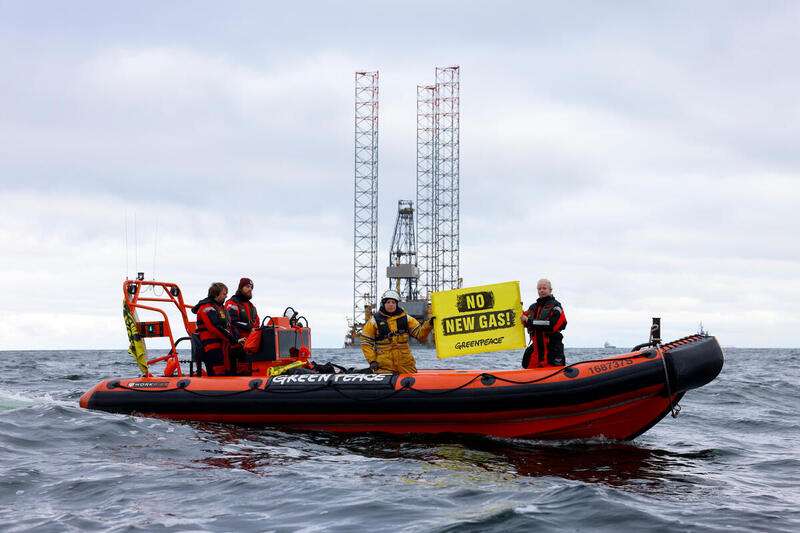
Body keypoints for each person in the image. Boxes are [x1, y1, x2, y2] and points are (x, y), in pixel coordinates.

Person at [360, 290, 433, 374]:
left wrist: (429, 324)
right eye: (388, 302)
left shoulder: (407, 319)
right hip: (384, 366)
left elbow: (419, 334)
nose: (391, 304)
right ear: (383, 304)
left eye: (393, 302)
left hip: (406, 365)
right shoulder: (374, 321)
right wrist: (372, 360)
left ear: (396, 304)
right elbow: (366, 342)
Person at [191, 282, 244, 376]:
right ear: (216, 294)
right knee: (218, 371)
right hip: (212, 346)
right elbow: (215, 328)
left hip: (223, 345)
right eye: (224, 294)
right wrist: (233, 340)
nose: (226, 296)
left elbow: (229, 326)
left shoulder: (221, 308)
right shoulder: (206, 308)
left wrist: (237, 339)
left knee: (229, 369)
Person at [520, 278, 567, 368]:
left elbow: (551, 325)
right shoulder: (533, 307)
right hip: (537, 348)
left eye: (544, 288)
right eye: (539, 289)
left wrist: (529, 321)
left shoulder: (556, 307)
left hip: (552, 348)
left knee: (555, 369)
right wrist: (518, 309)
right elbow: (523, 320)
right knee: (526, 363)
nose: (541, 290)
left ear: (550, 290)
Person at [225, 278, 260, 375]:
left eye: (251, 287)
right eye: (247, 287)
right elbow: (231, 322)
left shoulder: (252, 307)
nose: (250, 289)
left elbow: (257, 324)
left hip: (250, 346)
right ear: (241, 288)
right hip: (236, 345)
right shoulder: (232, 303)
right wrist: (249, 327)